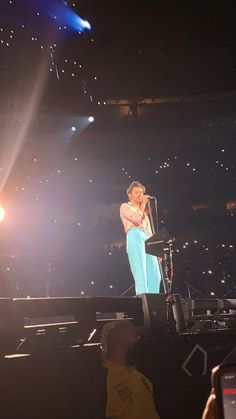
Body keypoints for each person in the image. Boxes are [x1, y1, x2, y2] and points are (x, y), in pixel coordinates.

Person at [101, 319, 160, 419]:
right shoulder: (102, 381)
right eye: (136, 337)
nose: (139, 341)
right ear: (122, 345)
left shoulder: (135, 373)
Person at [120, 181, 161, 295]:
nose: (140, 194)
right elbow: (136, 220)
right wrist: (143, 205)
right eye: (136, 192)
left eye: (141, 192)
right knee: (141, 272)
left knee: (155, 274)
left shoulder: (145, 214)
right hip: (135, 235)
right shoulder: (125, 206)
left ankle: (154, 301)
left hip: (147, 239)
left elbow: (150, 232)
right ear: (130, 195)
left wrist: (157, 250)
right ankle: (144, 302)